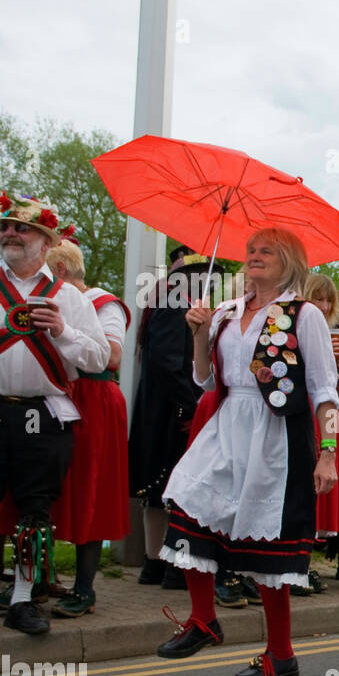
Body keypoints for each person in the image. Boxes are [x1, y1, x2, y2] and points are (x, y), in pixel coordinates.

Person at [155, 227, 339, 676]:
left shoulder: (304, 314)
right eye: (251, 251)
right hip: (225, 424)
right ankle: (203, 619)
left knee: (269, 544)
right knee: (188, 501)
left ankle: (282, 655)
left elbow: (324, 388)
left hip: (276, 432)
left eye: (267, 252)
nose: (255, 257)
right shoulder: (224, 312)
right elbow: (204, 379)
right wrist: (198, 334)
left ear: (290, 262)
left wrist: (329, 452)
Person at [0, 194, 110, 633]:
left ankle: (22, 600)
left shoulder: (68, 299)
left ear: (45, 240)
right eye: (4, 227)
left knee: (35, 511)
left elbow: (98, 360)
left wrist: (62, 330)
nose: (9, 234)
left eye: (21, 228)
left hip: (44, 414)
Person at [40, 240, 131, 617]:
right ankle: (37, 577)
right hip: (56, 395)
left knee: (89, 488)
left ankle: (85, 587)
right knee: (44, 487)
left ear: (59, 270)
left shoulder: (102, 302)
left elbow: (111, 355)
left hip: (93, 398)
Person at [128, 245, 210, 591]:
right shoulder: (176, 301)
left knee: (162, 487)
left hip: (165, 407)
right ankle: (170, 563)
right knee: (174, 487)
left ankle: (157, 563)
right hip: (171, 410)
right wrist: (190, 405)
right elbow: (167, 360)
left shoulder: (171, 298)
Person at [300, 272, 339, 596]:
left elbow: (334, 390)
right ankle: (296, 563)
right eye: (318, 297)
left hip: (323, 413)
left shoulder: (332, 334)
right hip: (299, 410)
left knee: (316, 487)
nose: (324, 304)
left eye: (329, 299)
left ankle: (303, 560)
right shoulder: (293, 327)